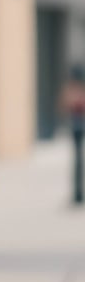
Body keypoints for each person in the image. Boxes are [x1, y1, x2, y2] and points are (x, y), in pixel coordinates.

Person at [59, 64, 85, 204]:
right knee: (78, 162)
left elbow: (64, 105)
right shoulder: (76, 90)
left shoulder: (73, 90)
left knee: (78, 163)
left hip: (77, 127)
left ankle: (78, 193)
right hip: (77, 128)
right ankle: (78, 193)